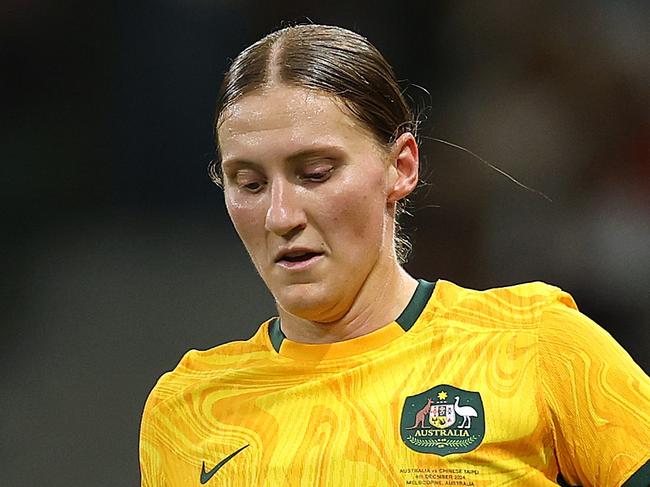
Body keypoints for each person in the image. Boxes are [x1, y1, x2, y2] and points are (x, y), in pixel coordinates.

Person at [139, 24, 650, 486]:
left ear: (401, 166)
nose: (279, 215)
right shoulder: (186, 407)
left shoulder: (536, 346)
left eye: (315, 173)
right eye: (248, 183)